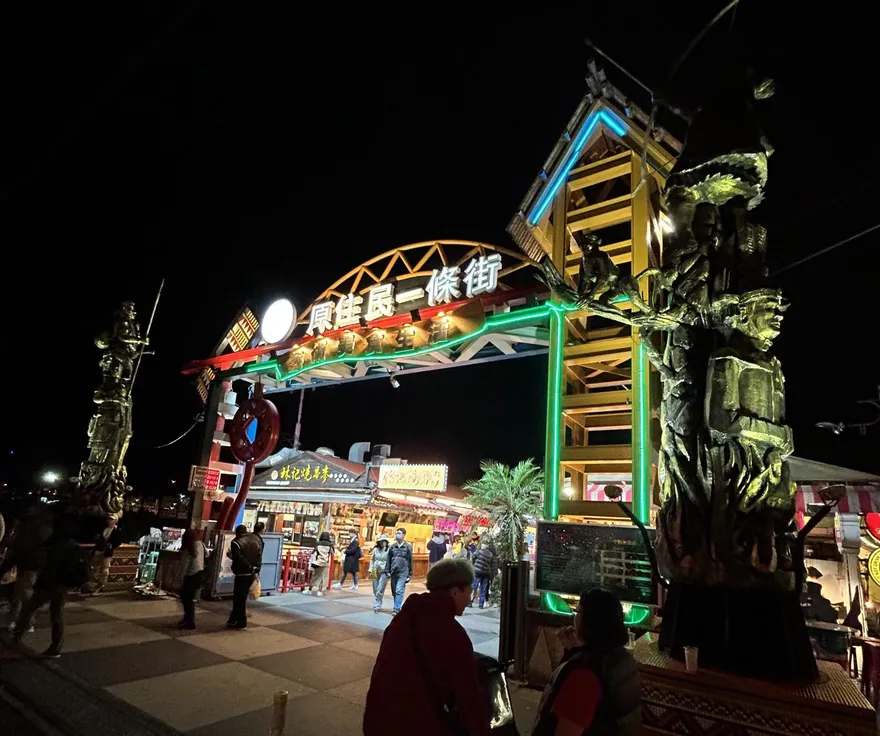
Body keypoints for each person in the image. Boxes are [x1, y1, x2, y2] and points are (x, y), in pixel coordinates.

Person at [364, 558, 488, 736]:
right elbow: (468, 694)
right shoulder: (452, 633)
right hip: (417, 723)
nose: (470, 598)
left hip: (380, 718)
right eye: (468, 592)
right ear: (454, 591)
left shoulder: (405, 617)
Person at [531, 589, 641, 735]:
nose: (574, 618)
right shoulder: (623, 660)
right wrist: (575, 650)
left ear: (589, 620)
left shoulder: (584, 676)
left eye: (577, 612)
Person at [12, 515, 86, 658]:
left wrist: (41, 582)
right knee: (56, 614)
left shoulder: (56, 544)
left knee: (28, 608)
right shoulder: (72, 545)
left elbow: (49, 566)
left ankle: (17, 637)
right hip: (63, 584)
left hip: (50, 584)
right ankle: (56, 647)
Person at [2, 503, 52, 629]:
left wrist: (8, 565)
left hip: (29, 565)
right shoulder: (43, 528)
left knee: (24, 594)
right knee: (19, 594)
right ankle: (19, 620)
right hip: (31, 564)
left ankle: (27, 622)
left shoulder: (30, 529)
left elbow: (20, 547)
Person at [226, 524, 262, 629]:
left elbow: (239, 558)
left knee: (239, 598)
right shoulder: (254, 541)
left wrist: (249, 567)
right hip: (251, 574)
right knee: (242, 597)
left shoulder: (236, 543)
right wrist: (256, 568)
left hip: (241, 573)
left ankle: (241, 621)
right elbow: (259, 556)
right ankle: (233, 619)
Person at [86, 514, 122, 595]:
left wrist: (111, 545)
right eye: (108, 519)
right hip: (99, 549)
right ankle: (90, 584)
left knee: (105, 570)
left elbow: (118, 541)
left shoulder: (116, 530)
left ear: (115, 520)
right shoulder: (103, 528)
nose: (109, 521)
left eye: (111, 519)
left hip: (107, 552)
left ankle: (100, 586)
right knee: (92, 567)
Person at [178, 529, 206, 630]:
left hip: (190, 576)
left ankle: (189, 621)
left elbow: (184, 567)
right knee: (190, 599)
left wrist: (179, 579)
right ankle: (188, 619)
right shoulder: (200, 545)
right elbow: (207, 555)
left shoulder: (187, 550)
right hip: (199, 574)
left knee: (186, 599)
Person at [385, 527, 413, 615]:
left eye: (399, 533)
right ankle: (398, 605)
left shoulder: (408, 547)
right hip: (393, 570)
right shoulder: (392, 546)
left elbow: (410, 560)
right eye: (397, 533)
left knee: (399, 590)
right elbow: (388, 559)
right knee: (394, 590)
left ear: (404, 535)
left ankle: (396, 609)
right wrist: (387, 570)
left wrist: (409, 574)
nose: (397, 535)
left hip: (403, 571)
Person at [303, 531, 333, 596]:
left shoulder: (318, 543)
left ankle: (310, 590)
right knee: (323, 577)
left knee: (315, 576)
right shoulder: (330, 544)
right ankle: (320, 591)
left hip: (318, 562)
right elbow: (332, 553)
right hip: (326, 562)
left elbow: (314, 551)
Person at [471, 540, 498, 609]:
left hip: (477, 572)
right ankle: (481, 604)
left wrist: (474, 565)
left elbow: (473, 558)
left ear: (484, 545)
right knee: (483, 588)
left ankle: (470, 601)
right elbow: (492, 565)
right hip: (486, 573)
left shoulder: (479, 552)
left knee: (474, 586)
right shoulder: (491, 554)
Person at [370, 534, 390, 613]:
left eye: (384, 541)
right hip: (375, 569)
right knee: (375, 588)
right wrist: (370, 568)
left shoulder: (388, 550)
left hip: (384, 571)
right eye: (382, 541)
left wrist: (389, 571)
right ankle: (379, 599)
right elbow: (372, 559)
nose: (383, 543)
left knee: (380, 588)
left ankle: (377, 605)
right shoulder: (375, 550)